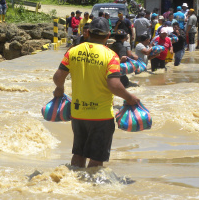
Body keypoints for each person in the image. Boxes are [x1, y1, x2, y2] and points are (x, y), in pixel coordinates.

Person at [52, 17, 139, 168]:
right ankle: (91, 189)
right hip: (101, 116)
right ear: (107, 36)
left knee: (78, 154)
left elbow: (58, 77)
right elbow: (114, 85)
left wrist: (59, 89)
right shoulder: (111, 56)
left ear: (88, 33)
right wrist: (130, 98)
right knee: (96, 159)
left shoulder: (73, 51)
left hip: (78, 113)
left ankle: (74, 184)